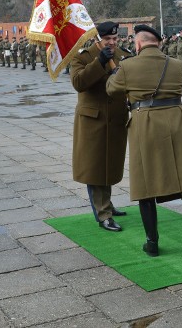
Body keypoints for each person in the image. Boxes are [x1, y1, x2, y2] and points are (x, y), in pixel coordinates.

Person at [106, 24, 182, 268]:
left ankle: (152, 242)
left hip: (145, 124)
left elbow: (112, 89)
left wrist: (114, 71)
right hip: (176, 121)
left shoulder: (128, 65)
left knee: (146, 187)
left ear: (137, 44)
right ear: (157, 42)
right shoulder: (176, 64)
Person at [70, 21, 129, 232]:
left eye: (115, 39)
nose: (112, 43)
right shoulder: (82, 56)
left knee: (110, 165)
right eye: (107, 40)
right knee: (96, 167)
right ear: (97, 39)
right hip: (93, 121)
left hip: (116, 119)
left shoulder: (122, 54)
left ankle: (108, 205)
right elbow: (78, 82)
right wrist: (99, 62)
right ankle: (103, 213)